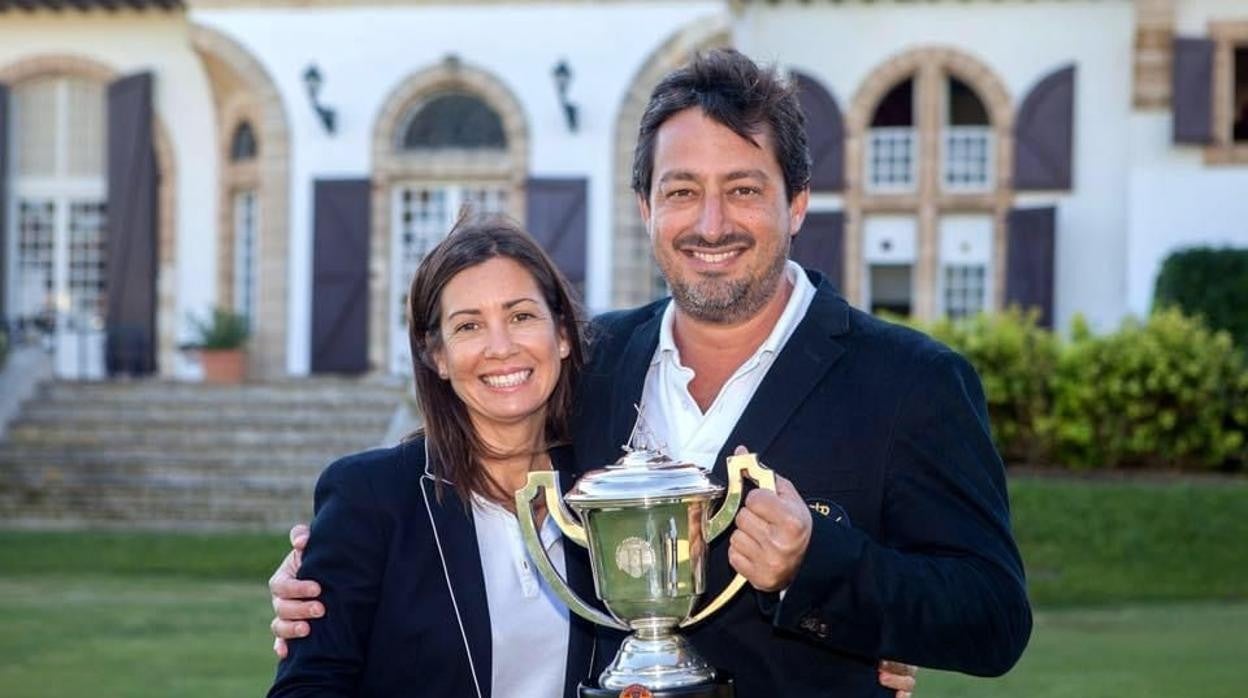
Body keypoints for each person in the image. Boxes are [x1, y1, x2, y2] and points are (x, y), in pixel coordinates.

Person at [276, 48, 1031, 696]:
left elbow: (993, 618)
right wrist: (334, 578)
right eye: (681, 192)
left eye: (742, 189)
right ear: (645, 207)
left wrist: (821, 567)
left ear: (796, 203)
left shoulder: (911, 383)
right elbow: (471, 464)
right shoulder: (597, 362)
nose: (710, 224)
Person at [268, 217, 598, 697]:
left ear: (562, 334)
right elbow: (308, 688)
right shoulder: (372, 498)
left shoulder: (606, 491)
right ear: (437, 356)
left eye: (521, 316)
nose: (501, 347)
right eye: (468, 326)